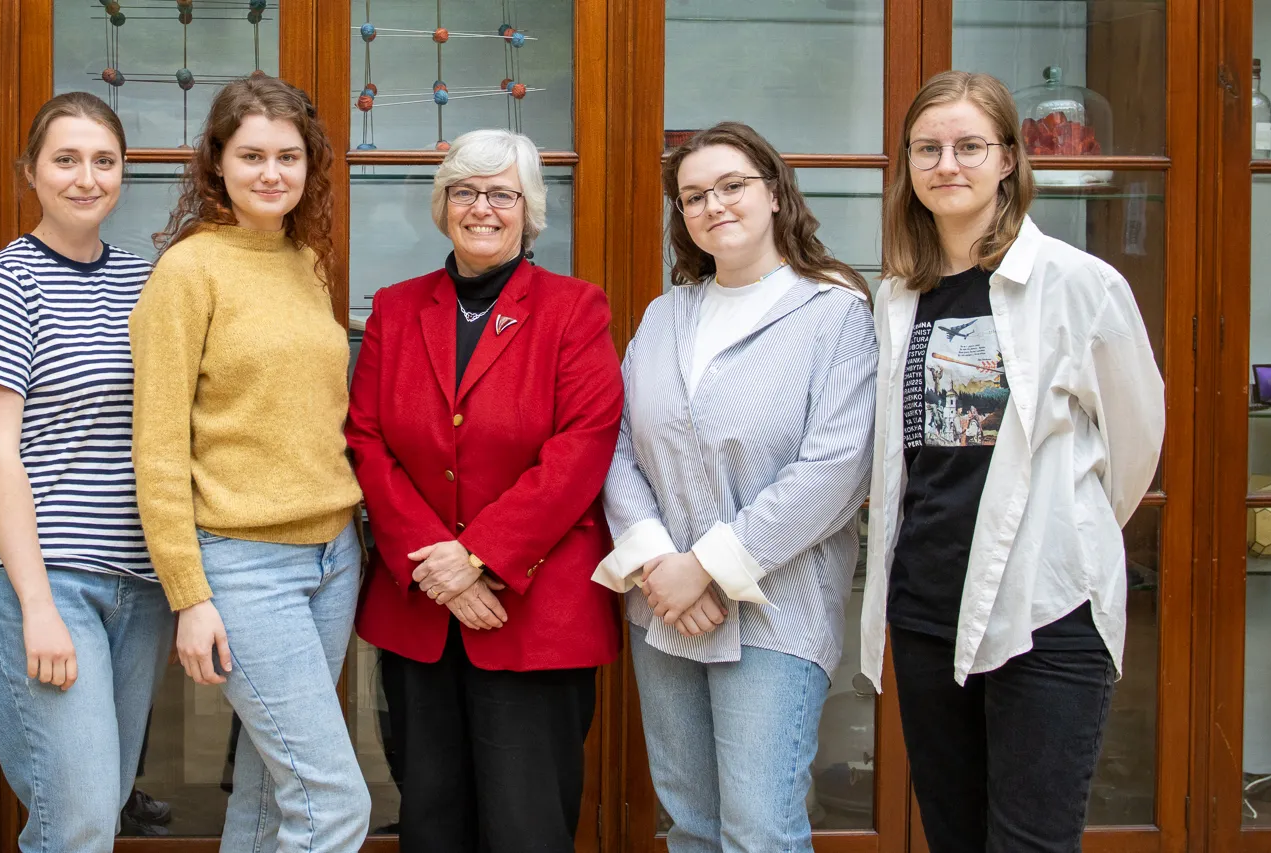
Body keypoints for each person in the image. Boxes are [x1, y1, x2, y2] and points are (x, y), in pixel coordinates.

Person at [861, 70, 1164, 850]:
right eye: (927, 148)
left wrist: (1066, 526)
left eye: (969, 145)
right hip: (927, 606)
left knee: (1030, 840)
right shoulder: (900, 294)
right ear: (908, 165)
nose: (947, 164)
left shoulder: (1079, 284)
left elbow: (1134, 442)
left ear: (1007, 159)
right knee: (954, 835)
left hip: (1047, 607)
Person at [596, 121, 876, 851]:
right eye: (693, 196)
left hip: (774, 613)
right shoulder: (666, 316)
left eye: (731, 186)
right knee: (690, 824)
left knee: (758, 829)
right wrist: (660, 563)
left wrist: (707, 568)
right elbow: (617, 444)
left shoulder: (834, 313)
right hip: (664, 611)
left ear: (776, 193)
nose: (713, 205)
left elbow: (834, 469)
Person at [347, 128, 624, 853]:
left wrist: (479, 557)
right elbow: (367, 439)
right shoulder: (397, 309)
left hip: (533, 616)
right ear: (443, 207)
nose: (481, 209)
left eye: (501, 194)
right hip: (421, 615)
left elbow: (583, 445)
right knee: (431, 820)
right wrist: (437, 566)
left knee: (526, 827)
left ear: (529, 211)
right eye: (464, 192)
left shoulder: (575, 309)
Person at [128, 72, 369, 852]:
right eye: (253, 154)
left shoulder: (307, 261)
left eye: (289, 156)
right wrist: (189, 594)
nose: (272, 172)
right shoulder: (188, 270)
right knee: (335, 803)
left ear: (310, 165)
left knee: (274, 797)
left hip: (334, 557)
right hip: (243, 565)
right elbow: (158, 445)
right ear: (218, 163)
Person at [0, 91, 172, 852]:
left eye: (103, 161)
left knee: (100, 808)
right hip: (38, 578)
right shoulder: (9, 281)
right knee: (73, 812)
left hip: (138, 584)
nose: (86, 177)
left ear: (123, 174)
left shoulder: (145, 282)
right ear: (30, 173)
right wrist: (36, 603)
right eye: (65, 160)